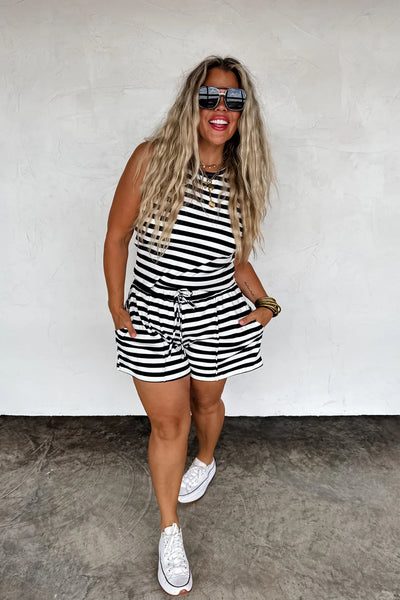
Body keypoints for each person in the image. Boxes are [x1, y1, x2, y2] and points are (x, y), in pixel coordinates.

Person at [103, 55, 280, 596]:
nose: (220, 108)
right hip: (153, 314)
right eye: (210, 96)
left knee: (207, 403)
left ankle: (206, 459)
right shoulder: (151, 159)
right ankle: (169, 531)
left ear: (243, 112)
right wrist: (116, 306)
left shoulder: (241, 180)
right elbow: (117, 236)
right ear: (192, 103)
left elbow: (236, 261)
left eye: (233, 99)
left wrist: (266, 302)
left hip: (218, 313)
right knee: (168, 425)